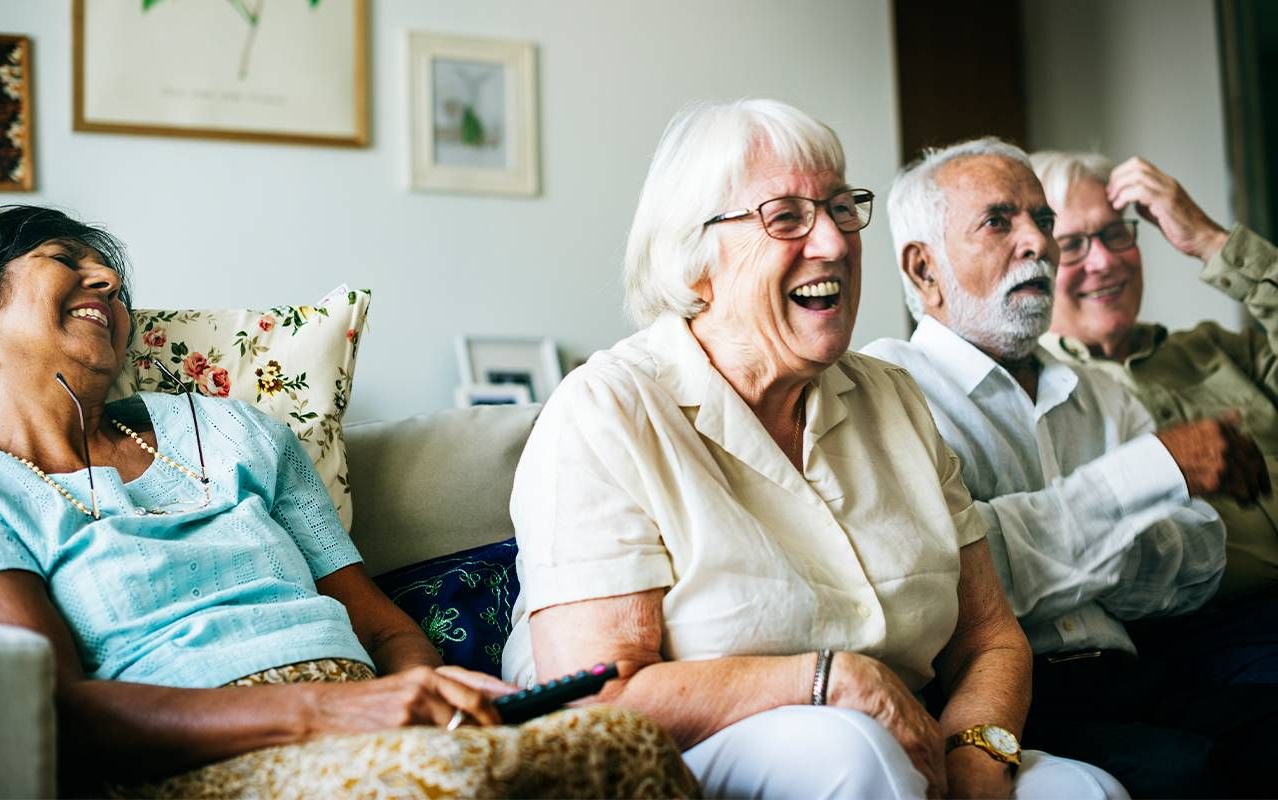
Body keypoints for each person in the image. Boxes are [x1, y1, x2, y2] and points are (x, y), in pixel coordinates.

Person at [501, 99, 1123, 800]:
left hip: (908, 741)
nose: (834, 242)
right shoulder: (607, 411)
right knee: (849, 751)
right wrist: (830, 680)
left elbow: (990, 639)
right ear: (695, 257)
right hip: (701, 759)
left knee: (1085, 790)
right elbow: (596, 698)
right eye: (787, 217)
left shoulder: (893, 398)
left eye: (840, 208)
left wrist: (978, 751)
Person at [0, 205, 698, 798]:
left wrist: (422, 697)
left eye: (115, 282)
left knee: (624, 739)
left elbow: (385, 629)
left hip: (371, 716)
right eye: (67, 260)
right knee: (437, 784)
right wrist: (331, 711)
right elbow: (55, 710)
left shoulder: (234, 430)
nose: (111, 283)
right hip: (201, 756)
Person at [863, 137, 1274, 797]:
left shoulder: (1102, 394)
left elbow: (1199, 560)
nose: (1039, 243)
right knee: (1186, 775)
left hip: (1141, 669)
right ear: (923, 269)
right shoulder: (887, 388)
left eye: (1043, 220)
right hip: (1008, 699)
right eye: (1000, 222)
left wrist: (1054, 545)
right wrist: (1146, 479)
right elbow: (957, 581)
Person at [1031, 151, 1278, 603]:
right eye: (1071, 245)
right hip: (1212, 642)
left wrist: (1210, 240)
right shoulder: (1036, 396)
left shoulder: (1218, 349)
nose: (1104, 261)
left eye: (1115, 233)